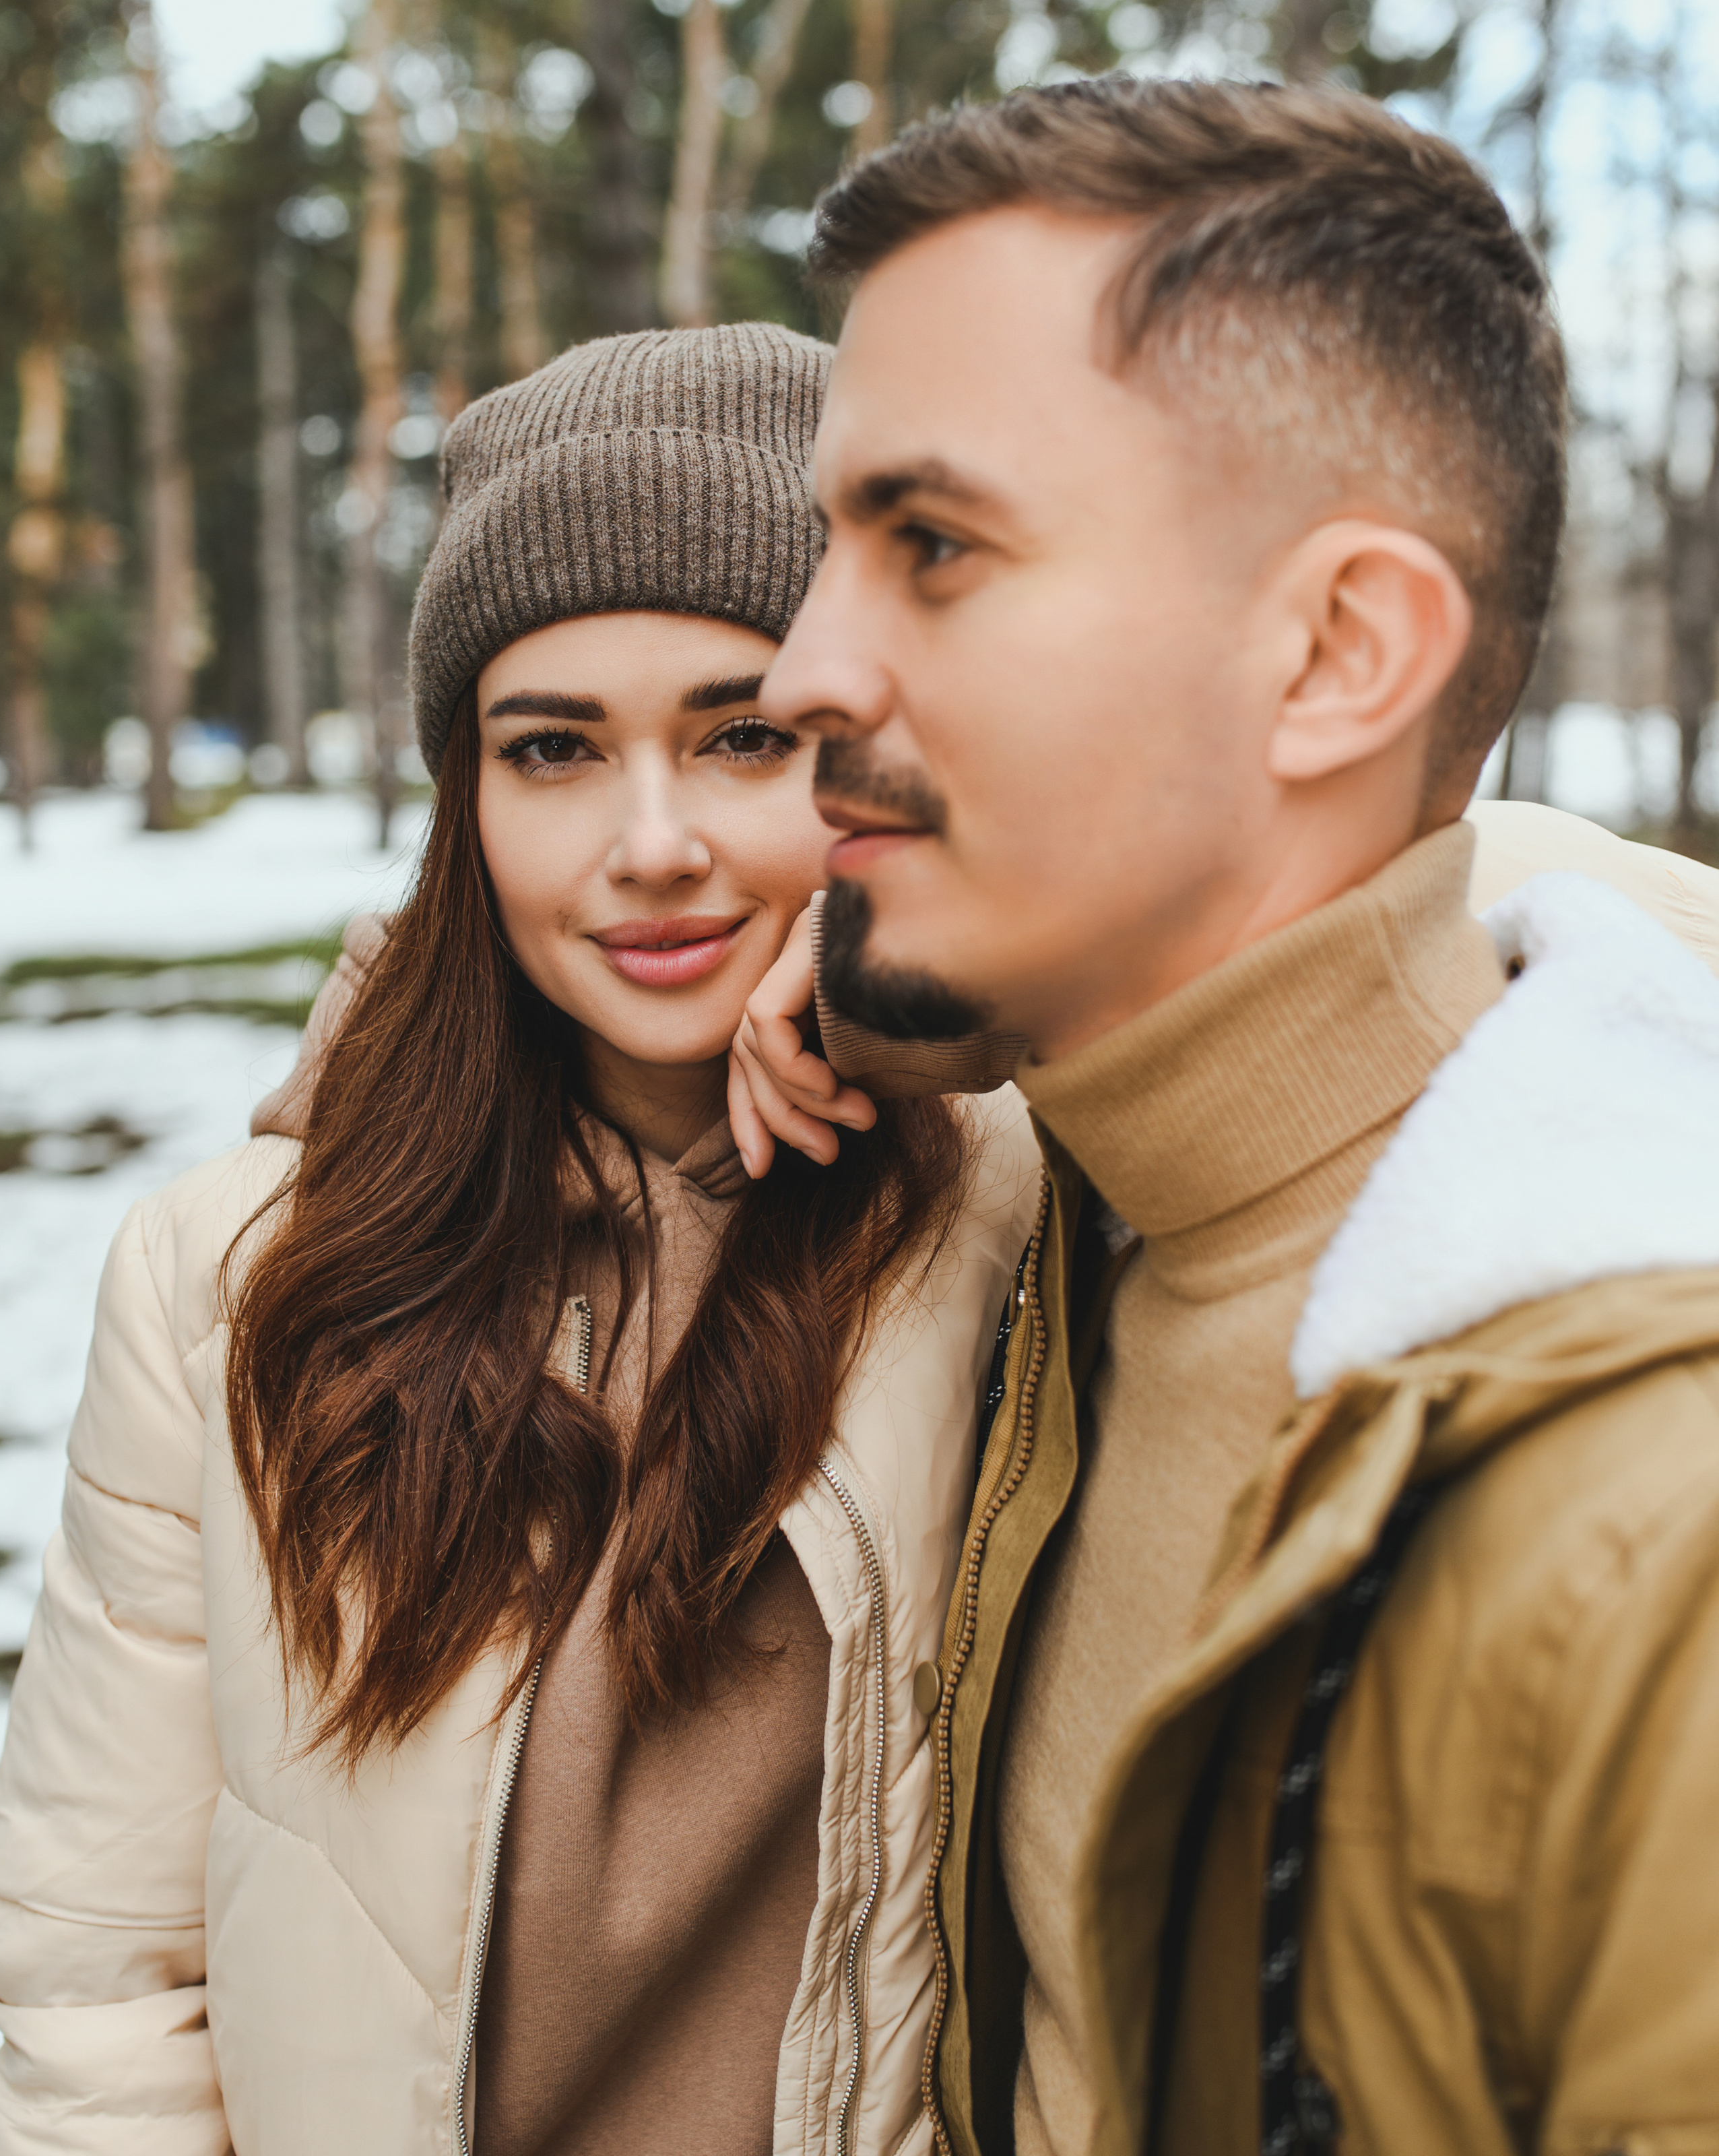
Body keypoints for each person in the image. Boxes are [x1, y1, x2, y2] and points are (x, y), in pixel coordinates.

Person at [730, 79, 1719, 2156]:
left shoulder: (1659, 1564)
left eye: (933, 547)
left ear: (1341, 653)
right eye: (834, 550)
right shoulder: (1076, 1192)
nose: (804, 665)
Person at [0, 325, 1041, 2155]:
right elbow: (100, 1988)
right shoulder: (236, 1277)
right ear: (463, 802)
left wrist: (968, 987)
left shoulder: (1037, 1206)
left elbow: (1513, 964)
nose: (650, 844)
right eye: (551, 749)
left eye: (748, 736)